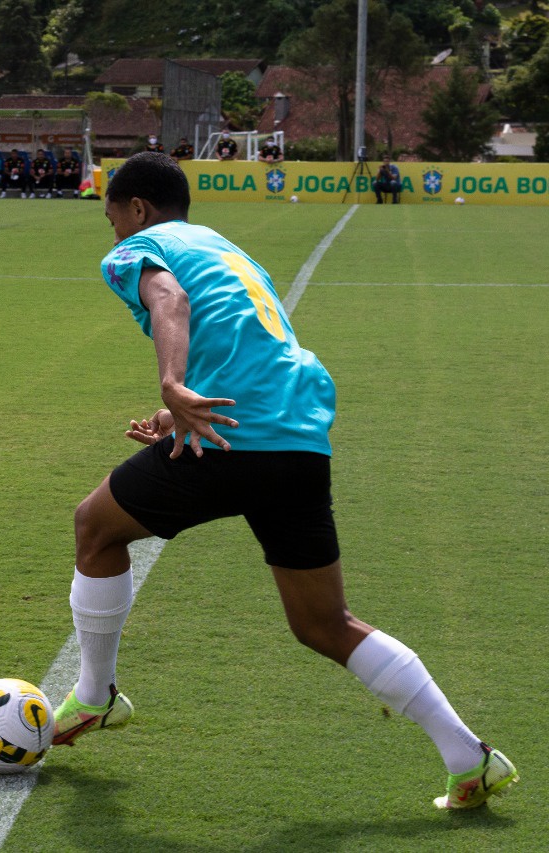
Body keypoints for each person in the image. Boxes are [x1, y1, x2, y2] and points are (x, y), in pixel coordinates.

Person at [50, 152, 518, 813]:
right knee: (325, 622)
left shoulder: (140, 250)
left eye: (113, 221)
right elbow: (249, 348)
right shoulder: (227, 251)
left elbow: (168, 300)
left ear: (137, 210)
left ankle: (94, 697)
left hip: (236, 439)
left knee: (94, 528)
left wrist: (172, 385)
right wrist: (175, 411)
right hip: (297, 437)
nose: (114, 236)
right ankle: (470, 755)